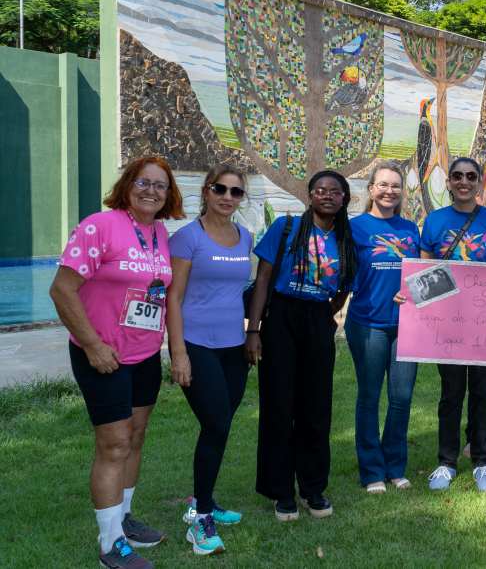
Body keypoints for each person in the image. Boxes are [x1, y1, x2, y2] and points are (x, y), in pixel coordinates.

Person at [50, 156, 184, 569]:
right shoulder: (99, 226)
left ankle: (123, 519)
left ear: (169, 195)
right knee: (114, 444)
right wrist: (92, 344)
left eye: (160, 186)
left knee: (136, 435)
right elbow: (62, 290)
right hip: (102, 354)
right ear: (127, 185)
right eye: (143, 182)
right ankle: (110, 543)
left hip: (142, 353)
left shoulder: (160, 232)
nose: (151, 191)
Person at [244, 170, 356, 521]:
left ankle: (312, 488)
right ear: (309, 196)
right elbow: (263, 278)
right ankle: (281, 492)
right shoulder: (286, 227)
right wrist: (254, 329)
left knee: (316, 408)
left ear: (343, 199)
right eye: (320, 190)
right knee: (279, 406)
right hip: (281, 319)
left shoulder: (346, 239)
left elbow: (344, 287)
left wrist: (325, 313)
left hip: (318, 321)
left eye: (334, 191)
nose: (327, 195)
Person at [166, 164, 252, 555]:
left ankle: (206, 499)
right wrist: (178, 352)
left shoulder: (245, 236)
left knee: (219, 425)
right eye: (220, 189)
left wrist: (255, 334)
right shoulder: (188, 238)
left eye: (236, 192)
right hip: (196, 344)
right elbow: (174, 298)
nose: (227, 197)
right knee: (216, 421)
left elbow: (239, 293)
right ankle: (200, 519)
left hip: (233, 347)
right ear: (206, 191)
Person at [419, 157, 486, 492]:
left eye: (470, 176)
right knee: (451, 393)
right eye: (457, 176)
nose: (463, 181)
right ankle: (446, 461)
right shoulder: (434, 221)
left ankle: (483, 462)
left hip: (485, 324)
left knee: (484, 393)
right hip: (449, 324)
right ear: (449, 182)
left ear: (479, 183)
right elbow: (423, 274)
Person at [344, 160, 420, 494]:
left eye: (395, 185)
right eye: (383, 185)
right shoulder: (354, 227)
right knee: (370, 397)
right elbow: (342, 272)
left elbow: (423, 274)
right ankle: (372, 470)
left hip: (408, 325)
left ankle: (395, 466)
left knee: (401, 398)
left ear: (402, 192)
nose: (390, 191)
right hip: (368, 324)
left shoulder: (411, 229)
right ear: (371, 189)